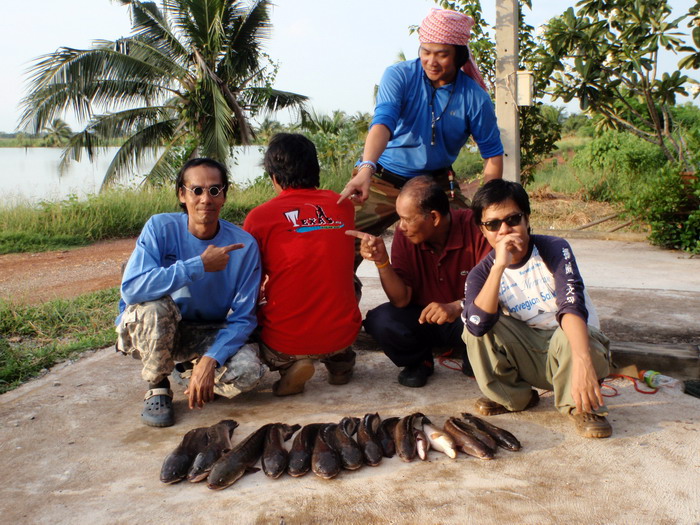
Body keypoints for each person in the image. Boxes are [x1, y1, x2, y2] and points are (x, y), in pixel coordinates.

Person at [339, 8, 504, 253]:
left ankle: (464, 290)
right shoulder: (399, 76)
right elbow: (382, 123)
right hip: (380, 179)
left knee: (476, 238)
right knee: (338, 240)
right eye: (425, 52)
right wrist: (365, 169)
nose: (431, 61)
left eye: (442, 55)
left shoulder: (475, 97)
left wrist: (488, 206)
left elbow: (492, 155)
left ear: (459, 57)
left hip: (435, 185)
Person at [116, 158, 265, 427]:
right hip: (153, 326)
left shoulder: (244, 246)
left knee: (249, 373)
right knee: (156, 306)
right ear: (182, 195)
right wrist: (198, 266)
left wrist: (211, 360)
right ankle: (157, 385)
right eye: (196, 190)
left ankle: (187, 368)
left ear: (224, 197)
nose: (205, 199)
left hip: (204, 329)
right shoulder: (160, 228)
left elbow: (244, 317)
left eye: (214, 190)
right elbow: (131, 289)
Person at [462, 179, 612, 438]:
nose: (505, 230)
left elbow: (571, 306)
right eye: (493, 224)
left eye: (513, 219)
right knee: (473, 330)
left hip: (576, 348)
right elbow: (477, 324)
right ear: (482, 231)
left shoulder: (553, 249)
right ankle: (515, 398)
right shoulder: (481, 273)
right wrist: (498, 268)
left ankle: (582, 407)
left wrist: (584, 362)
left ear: (527, 219)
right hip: (533, 352)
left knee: (567, 328)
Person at [243, 133, 362, 396]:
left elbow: (251, 280)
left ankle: (289, 365)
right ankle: (340, 361)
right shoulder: (343, 206)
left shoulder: (259, 218)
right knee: (348, 280)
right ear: (315, 170)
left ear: (274, 177)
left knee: (259, 302)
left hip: (286, 342)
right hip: (341, 334)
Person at [348, 176, 491, 388]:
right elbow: (401, 301)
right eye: (399, 219)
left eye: (407, 219)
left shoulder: (476, 228)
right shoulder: (404, 236)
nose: (401, 227)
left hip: (467, 318)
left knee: (497, 318)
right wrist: (382, 262)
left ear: (433, 217)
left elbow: (497, 289)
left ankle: (474, 354)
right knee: (381, 320)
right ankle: (418, 361)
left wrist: (457, 306)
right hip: (424, 319)